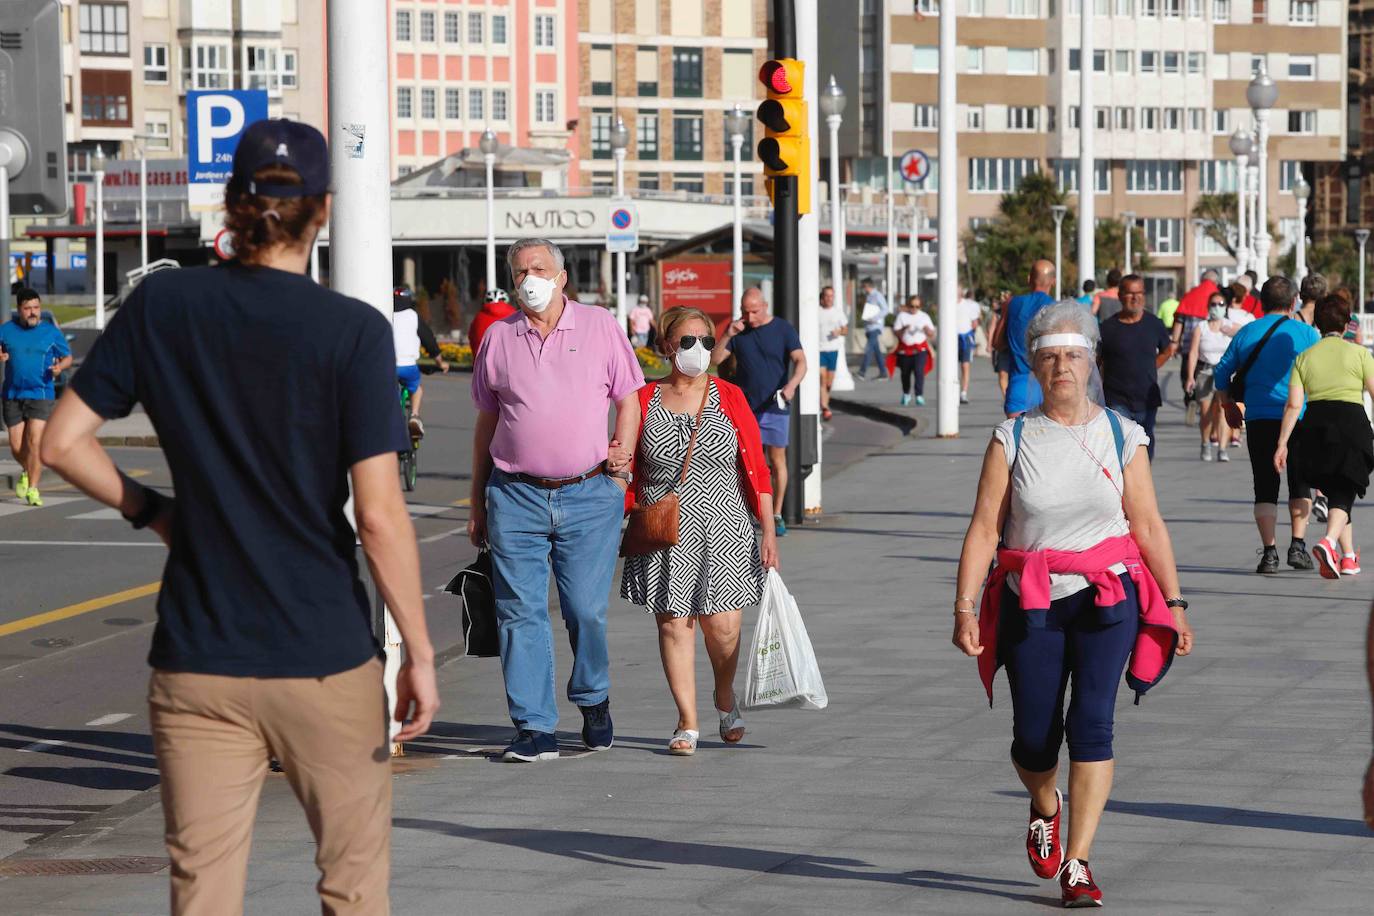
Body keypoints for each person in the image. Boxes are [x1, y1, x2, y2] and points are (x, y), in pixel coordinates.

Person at [39, 119, 439, 913]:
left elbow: (61, 443)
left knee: (204, 891)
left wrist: (154, 510)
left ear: (234, 202)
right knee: (353, 888)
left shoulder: (165, 304)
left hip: (200, 655)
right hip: (324, 653)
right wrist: (419, 653)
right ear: (321, 209)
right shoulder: (351, 331)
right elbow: (381, 515)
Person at [952, 300, 1193, 909]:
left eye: (1074, 356)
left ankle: (1079, 863)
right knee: (1034, 738)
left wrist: (1175, 600)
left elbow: (1148, 522)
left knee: (1093, 725)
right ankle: (1043, 804)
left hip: (1108, 598)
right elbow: (985, 527)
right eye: (1051, 357)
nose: (1063, 366)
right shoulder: (1013, 437)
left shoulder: (1122, 434)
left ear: (1091, 364)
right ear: (1034, 366)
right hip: (1030, 600)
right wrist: (962, 607)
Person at [469, 237, 644, 763]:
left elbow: (629, 397)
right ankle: (533, 726)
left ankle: (593, 699)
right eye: (521, 270)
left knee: (585, 610)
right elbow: (486, 420)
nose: (529, 279)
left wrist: (624, 455)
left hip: (589, 494)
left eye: (539, 268)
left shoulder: (599, 326)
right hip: (514, 495)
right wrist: (477, 500)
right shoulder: (498, 338)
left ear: (562, 277)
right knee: (518, 611)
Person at [622, 307, 779, 755]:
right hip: (665, 526)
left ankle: (724, 697)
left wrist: (768, 531)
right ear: (667, 345)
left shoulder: (729, 395)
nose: (699, 351)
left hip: (726, 523)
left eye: (707, 343)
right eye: (688, 341)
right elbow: (625, 462)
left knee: (723, 628)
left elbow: (758, 472)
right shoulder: (644, 398)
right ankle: (687, 721)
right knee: (675, 625)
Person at [1214, 275, 1321, 574]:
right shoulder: (1307, 334)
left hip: (1259, 417)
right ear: (1293, 300)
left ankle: (1270, 553)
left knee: (1264, 484)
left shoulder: (1247, 333)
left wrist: (1228, 407)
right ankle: (1298, 547)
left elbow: (1221, 374)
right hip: (1298, 418)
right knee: (1300, 483)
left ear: (1261, 302)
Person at [1275, 294, 1374, 579]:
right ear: (1346, 323)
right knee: (1346, 488)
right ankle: (1329, 542)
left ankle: (1348, 558)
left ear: (1317, 324)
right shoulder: (1359, 354)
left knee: (1336, 490)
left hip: (1315, 426)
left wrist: (1282, 444)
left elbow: (1294, 404)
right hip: (1351, 424)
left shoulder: (1304, 357)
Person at [711, 288, 807, 537]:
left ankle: (775, 514)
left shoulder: (783, 329)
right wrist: (728, 333)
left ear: (765, 306)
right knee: (744, 461)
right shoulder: (739, 331)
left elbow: (800, 361)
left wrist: (791, 385)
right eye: (744, 311)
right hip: (746, 407)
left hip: (775, 404)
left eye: (754, 311)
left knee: (776, 461)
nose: (749, 317)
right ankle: (744, 512)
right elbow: (715, 360)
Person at [2, 287, 73, 507]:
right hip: (12, 393)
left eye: (36, 307)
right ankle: (26, 470)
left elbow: (67, 357)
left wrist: (59, 368)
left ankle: (33, 488)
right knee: (16, 446)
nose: (33, 312)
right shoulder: (6, 330)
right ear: (19, 309)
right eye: (28, 308)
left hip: (41, 393)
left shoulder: (50, 332)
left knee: (34, 442)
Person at [1098, 275, 1174, 460]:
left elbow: (1167, 350)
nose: (1135, 298)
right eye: (1130, 293)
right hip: (1116, 398)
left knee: (1145, 441)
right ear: (1120, 295)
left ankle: (1143, 480)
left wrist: (1150, 366)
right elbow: (1097, 361)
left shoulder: (1154, 324)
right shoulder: (1107, 328)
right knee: (1120, 443)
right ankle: (1123, 483)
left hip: (1146, 398)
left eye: (1139, 293)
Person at [1001, 260, 1057, 417]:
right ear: (1053, 281)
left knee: (1016, 439)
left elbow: (997, 343)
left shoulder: (1012, 304)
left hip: (1019, 385)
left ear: (1028, 279)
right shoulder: (1056, 309)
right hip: (1047, 386)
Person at [1186, 291, 1237, 462]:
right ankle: (1205, 443)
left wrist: (1232, 332)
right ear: (1208, 307)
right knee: (1206, 412)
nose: (1217, 307)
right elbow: (1193, 353)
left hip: (1224, 372)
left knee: (1223, 410)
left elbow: (1247, 334)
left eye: (1221, 304)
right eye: (1214, 304)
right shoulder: (1201, 327)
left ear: (1226, 307)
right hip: (1205, 372)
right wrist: (1190, 377)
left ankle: (1222, 449)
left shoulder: (1230, 325)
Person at [392, 286, 449, 438]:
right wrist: (440, 362)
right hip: (408, 366)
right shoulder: (412, 316)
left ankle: (393, 419)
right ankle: (415, 416)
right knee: (416, 388)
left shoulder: (385, 313)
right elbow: (428, 340)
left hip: (388, 367)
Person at [893, 294, 936, 407]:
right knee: (905, 373)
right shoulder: (902, 316)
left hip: (920, 349)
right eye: (912, 306)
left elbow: (931, 334)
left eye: (917, 306)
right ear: (908, 306)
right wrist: (904, 328)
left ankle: (919, 395)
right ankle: (906, 394)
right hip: (905, 349)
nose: (914, 309)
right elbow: (896, 332)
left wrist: (926, 329)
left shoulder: (924, 316)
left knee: (919, 371)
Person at [817, 284, 848, 422]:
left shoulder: (838, 312)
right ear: (822, 297)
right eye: (827, 296)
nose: (829, 298)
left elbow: (845, 330)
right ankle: (824, 407)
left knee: (829, 382)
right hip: (819, 349)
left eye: (831, 296)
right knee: (822, 378)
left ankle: (824, 403)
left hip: (833, 349)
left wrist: (839, 332)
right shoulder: (816, 311)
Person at [858, 277, 890, 380]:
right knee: (877, 352)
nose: (863, 289)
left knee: (869, 349)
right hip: (869, 327)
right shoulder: (869, 297)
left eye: (863, 287)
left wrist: (874, 318)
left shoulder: (877, 295)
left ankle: (862, 372)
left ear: (868, 286)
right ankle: (883, 372)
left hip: (875, 327)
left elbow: (885, 310)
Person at [468, 288, 517, 355]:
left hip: (484, 359)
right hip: (510, 359)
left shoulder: (478, 317)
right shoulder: (515, 315)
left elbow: (472, 338)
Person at [957, 288, 982, 403]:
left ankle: (963, 393)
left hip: (965, 338)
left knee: (965, 366)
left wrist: (969, 333)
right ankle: (952, 390)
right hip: (951, 339)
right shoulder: (947, 303)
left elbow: (975, 322)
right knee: (950, 367)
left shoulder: (969, 305)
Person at [991, 289, 1013, 396]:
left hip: (1013, 347)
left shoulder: (1015, 310)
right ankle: (1006, 396)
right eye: (1002, 296)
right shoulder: (997, 312)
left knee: (1012, 374)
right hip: (1002, 346)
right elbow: (992, 328)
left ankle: (1012, 394)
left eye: (1005, 296)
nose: (1003, 298)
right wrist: (990, 343)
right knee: (1002, 373)